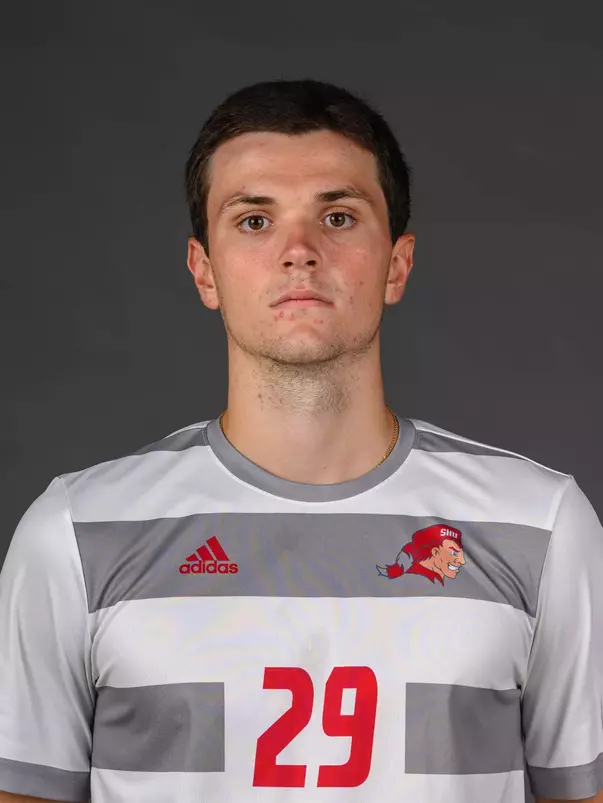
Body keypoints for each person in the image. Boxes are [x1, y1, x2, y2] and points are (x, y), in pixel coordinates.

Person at [0, 79, 601, 803]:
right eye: (254, 220)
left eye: (338, 217)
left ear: (397, 264)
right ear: (204, 271)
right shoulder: (74, 536)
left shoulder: (539, 527)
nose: (299, 251)